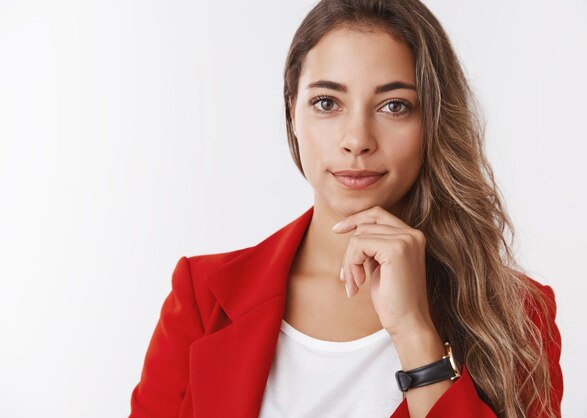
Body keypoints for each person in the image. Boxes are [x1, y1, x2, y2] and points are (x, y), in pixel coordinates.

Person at [129, 1, 563, 417]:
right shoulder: (202, 297)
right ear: (292, 114)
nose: (357, 139)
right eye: (326, 103)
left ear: (432, 121)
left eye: (394, 106)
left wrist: (415, 333)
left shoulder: (518, 316)